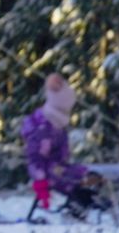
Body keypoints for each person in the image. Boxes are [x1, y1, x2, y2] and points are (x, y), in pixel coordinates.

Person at [21, 74, 106, 218]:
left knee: (88, 174)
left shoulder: (58, 126)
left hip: (59, 167)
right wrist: (40, 180)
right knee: (72, 178)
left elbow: (62, 156)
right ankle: (78, 204)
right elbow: (35, 157)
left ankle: (86, 201)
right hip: (48, 173)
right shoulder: (43, 129)